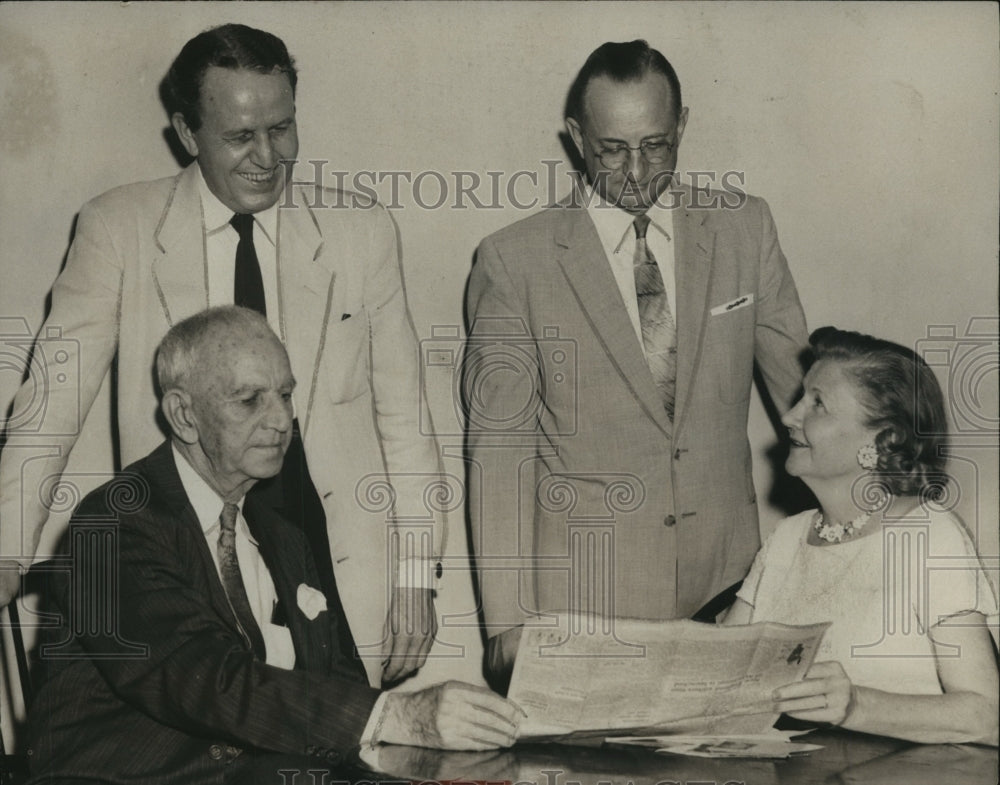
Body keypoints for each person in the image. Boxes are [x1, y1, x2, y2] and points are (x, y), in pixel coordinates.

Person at [0, 23, 442, 685]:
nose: (268, 157)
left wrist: (416, 576)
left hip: (338, 573)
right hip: (193, 567)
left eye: (282, 128)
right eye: (240, 136)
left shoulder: (362, 232)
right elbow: (50, 404)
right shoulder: (118, 228)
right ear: (186, 133)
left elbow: (406, 421)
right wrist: (6, 547)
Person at [26, 307, 520, 785]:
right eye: (250, 400)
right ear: (183, 414)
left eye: (286, 395)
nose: (282, 419)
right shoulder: (114, 522)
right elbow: (204, 679)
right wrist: (399, 716)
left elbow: (339, 679)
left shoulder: (283, 535)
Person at [465, 40, 808, 680]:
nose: (635, 171)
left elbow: (811, 403)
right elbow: (498, 455)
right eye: (612, 150)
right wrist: (509, 628)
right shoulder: (514, 262)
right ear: (576, 137)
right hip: (585, 607)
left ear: (682, 126)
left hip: (729, 593)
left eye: (656, 146)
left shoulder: (745, 228)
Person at [724, 327, 999, 745]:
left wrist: (856, 705)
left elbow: (986, 715)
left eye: (818, 403)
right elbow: (721, 665)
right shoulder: (787, 537)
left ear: (883, 438)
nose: (788, 417)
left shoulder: (930, 537)